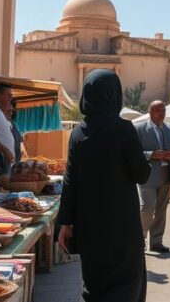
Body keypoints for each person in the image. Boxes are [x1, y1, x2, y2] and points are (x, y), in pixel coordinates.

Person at [57, 70, 151, 302]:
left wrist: (65, 223)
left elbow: (70, 181)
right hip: (122, 226)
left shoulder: (78, 133)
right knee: (126, 283)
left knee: (94, 283)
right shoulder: (123, 129)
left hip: (89, 226)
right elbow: (142, 175)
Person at [134, 100, 170, 254]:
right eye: (158, 110)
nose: (162, 113)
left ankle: (156, 241)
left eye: (163, 110)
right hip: (147, 174)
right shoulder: (139, 129)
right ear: (150, 112)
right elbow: (132, 152)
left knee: (161, 209)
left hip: (167, 173)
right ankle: (139, 239)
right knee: (147, 207)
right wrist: (150, 155)